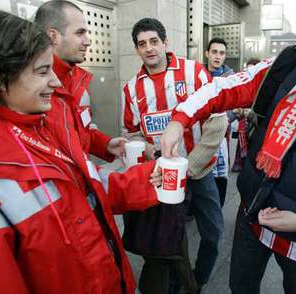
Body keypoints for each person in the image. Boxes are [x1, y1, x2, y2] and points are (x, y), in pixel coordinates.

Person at [160, 1, 296, 293]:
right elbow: (225, 87)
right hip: (250, 216)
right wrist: (180, 119)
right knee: (240, 287)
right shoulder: (293, 61)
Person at [0, 9, 162, 293]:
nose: (55, 83)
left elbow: (83, 190)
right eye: (43, 71)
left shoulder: (43, 123)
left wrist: (148, 179)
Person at [121, 18, 227, 293]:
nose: (149, 49)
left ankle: (198, 279)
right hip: (161, 177)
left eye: (154, 41)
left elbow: (217, 121)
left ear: (165, 42)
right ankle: (181, 284)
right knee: (168, 241)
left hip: (199, 172)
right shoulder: (132, 88)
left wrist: (190, 166)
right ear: (136, 49)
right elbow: (132, 132)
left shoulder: (196, 73)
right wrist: (144, 148)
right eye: (142, 44)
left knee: (214, 233)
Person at [34, 1, 126, 162]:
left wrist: (107, 144)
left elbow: (82, 130)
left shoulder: (79, 78)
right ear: (53, 36)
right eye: (80, 33)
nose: (88, 41)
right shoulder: (30, 87)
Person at [205, 37, 235, 207]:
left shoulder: (231, 79)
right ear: (207, 53)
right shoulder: (196, 74)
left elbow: (236, 107)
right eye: (214, 52)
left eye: (221, 53)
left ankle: (218, 205)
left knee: (220, 174)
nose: (217, 56)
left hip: (221, 136)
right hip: (198, 135)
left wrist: (221, 118)